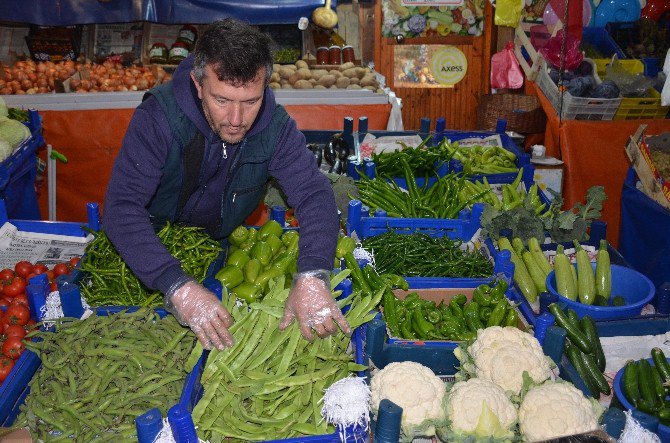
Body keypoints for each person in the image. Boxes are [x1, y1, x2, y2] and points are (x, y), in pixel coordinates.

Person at [103, 18, 350, 350]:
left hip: (218, 247)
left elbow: (314, 192)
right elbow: (121, 208)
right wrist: (177, 286)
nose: (237, 120)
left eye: (250, 102)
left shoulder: (275, 127)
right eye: (222, 100)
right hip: (150, 246)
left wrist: (313, 274)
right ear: (198, 83)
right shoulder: (158, 118)